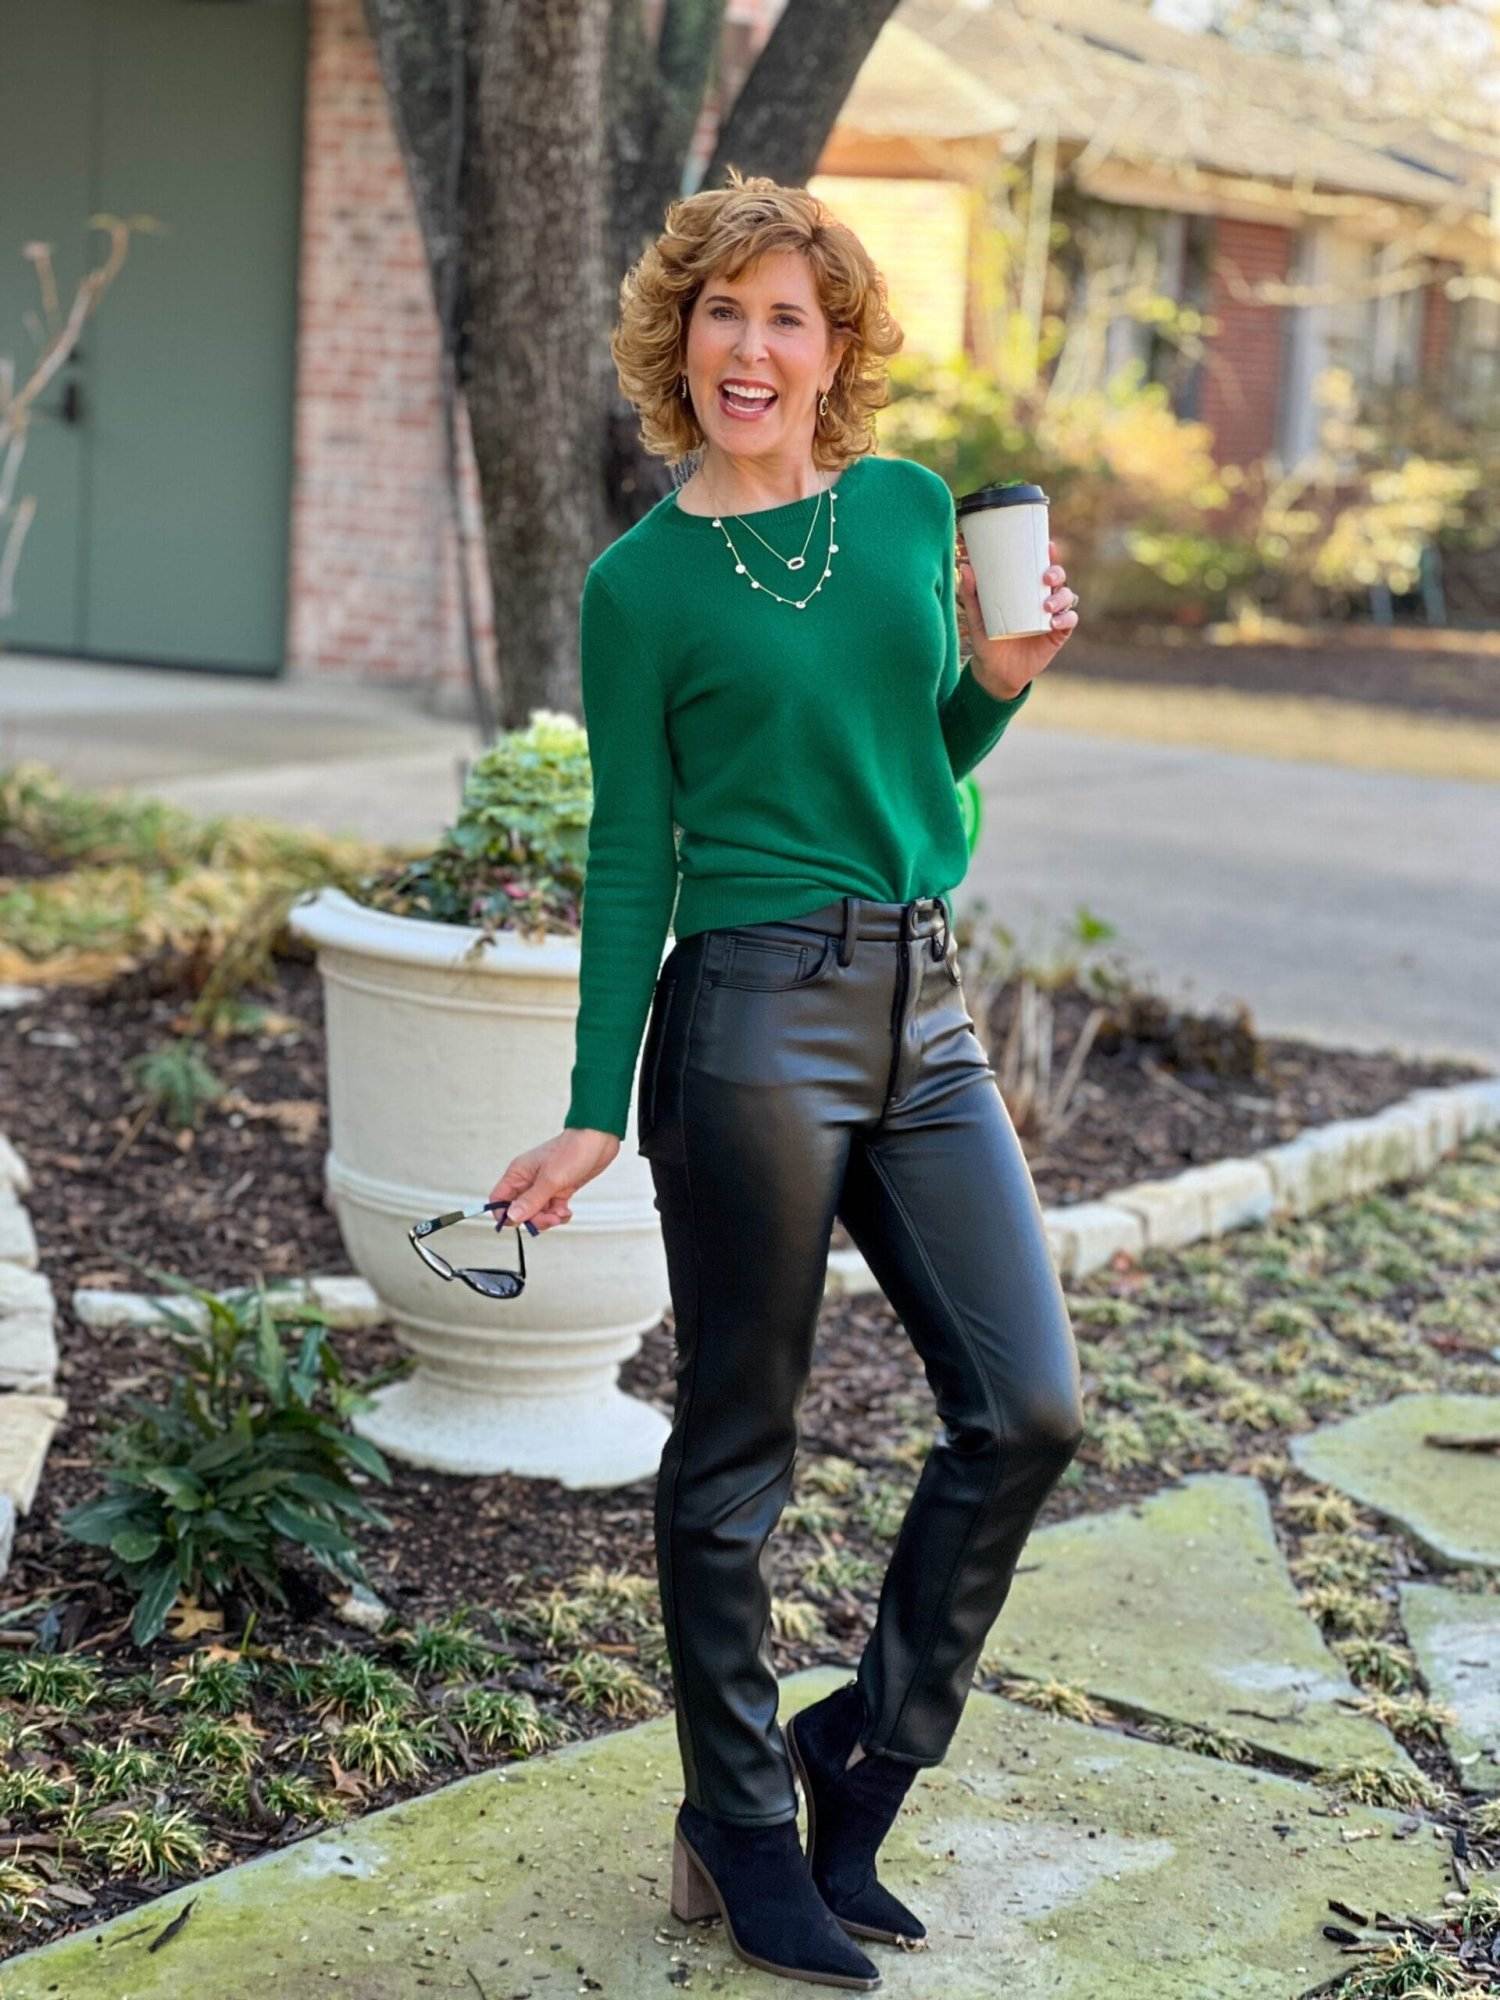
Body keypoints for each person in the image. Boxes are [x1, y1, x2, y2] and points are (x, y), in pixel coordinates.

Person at [489, 169, 1086, 1990]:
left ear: (838, 353)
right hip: (746, 1018)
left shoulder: (910, 512)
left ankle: (855, 1753)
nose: (754, 347)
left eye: (790, 317)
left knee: (1029, 1408)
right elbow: (627, 860)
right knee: (741, 1446)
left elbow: (930, 766)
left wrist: (1002, 683)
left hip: (923, 1001)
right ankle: (744, 1829)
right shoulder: (642, 582)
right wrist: (600, 1098)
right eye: (723, 313)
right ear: (684, 341)